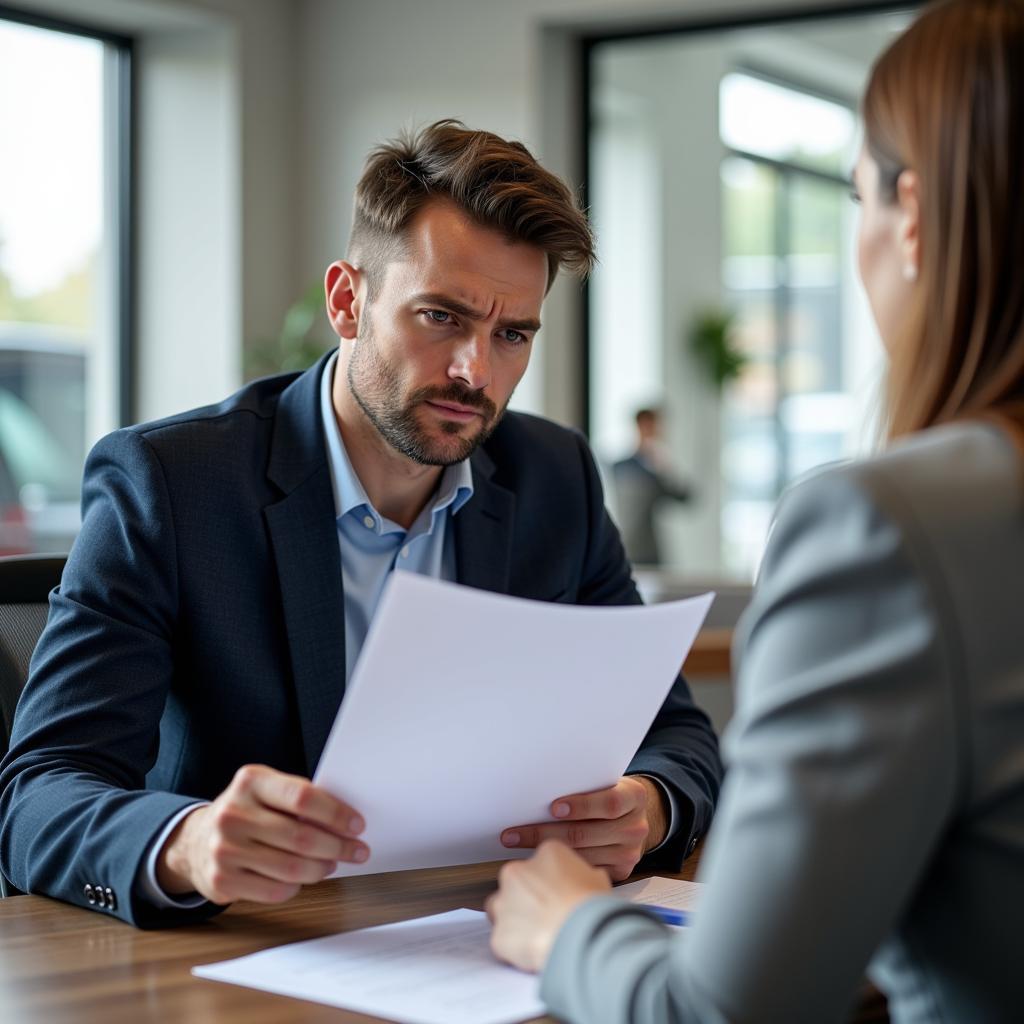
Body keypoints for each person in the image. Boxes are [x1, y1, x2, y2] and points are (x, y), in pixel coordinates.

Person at [0, 121, 721, 927]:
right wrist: (186, 842)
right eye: (441, 317)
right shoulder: (173, 486)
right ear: (348, 300)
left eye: (512, 334)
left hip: (488, 940)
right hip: (250, 954)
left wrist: (647, 803)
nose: (474, 371)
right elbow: (40, 791)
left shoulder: (555, 479)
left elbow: (676, 731)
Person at [487, 2, 1024, 1020]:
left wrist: (569, 928)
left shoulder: (887, 532)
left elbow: (720, 1012)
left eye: (854, 192)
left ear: (909, 215)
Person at [612, 408, 693, 566]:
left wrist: (663, 467)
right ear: (640, 426)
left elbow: (684, 497)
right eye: (652, 426)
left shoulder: (658, 469)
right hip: (628, 548)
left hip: (651, 551)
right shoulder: (621, 467)